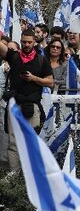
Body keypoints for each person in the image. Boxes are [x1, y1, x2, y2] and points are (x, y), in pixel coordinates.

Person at [0, 29, 54, 171]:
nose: (27, 45)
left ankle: (30, 176)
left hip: (32, 106)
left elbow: (50, 82)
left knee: (31, 142)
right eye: (24, 42)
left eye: (29, 42)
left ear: (34, 42)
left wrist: (34, 78)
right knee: (13, 143)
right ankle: (14, 177)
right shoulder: (14, 56)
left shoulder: (42, 60)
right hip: (15, 105)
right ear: (21, 40)